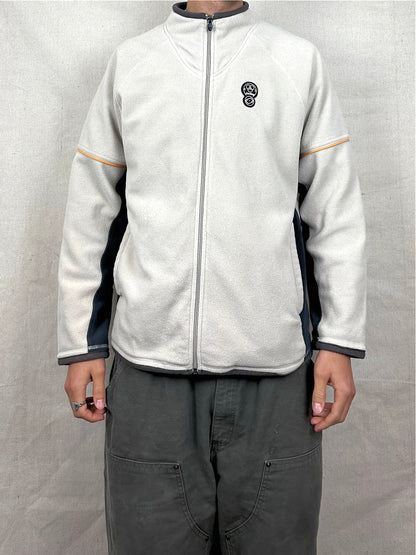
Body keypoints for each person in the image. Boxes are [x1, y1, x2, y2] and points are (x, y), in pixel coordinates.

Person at [58, 1, 367, 553]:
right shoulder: (132, 63)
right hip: (149, 373)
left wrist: (338, 340)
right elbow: (92, 210)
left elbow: (333, 210)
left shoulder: (296, 61)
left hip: (275, 377)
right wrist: (83, 343)